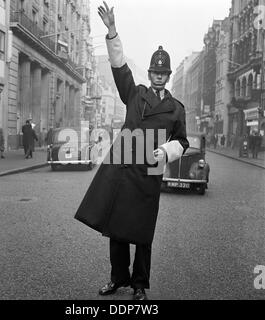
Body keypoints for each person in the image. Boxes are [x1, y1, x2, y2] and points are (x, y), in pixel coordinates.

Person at [75, 2, 189, 301]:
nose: (159, 76)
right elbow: (119, 66)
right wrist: (112, 32)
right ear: (150, 73)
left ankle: (139, 285)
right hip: (124, 162)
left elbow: (182, 141)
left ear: (168, 75)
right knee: (116, 228)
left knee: (142, 233)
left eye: (164, 72)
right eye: (155, 71)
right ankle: (117, 279)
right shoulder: (134, 92)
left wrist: (164, 151)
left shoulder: (177, 109)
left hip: (150, 169)